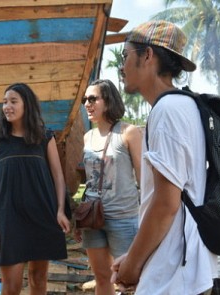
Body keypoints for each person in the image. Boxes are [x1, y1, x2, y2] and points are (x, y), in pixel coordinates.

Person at [110, 20, 217, 294]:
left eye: (126, 56)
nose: (121, 67)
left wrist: (132, 265)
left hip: (173, 275)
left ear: (147, 55)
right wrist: (138, 259)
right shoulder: (186, 105)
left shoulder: (167, 111)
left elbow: (166, 204)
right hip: (180, 265)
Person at [0, 82, 71, 294]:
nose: (7, 107)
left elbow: (58, 176)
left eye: (13, 101)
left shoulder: (44, 136)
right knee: (10, 286)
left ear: (27, 105)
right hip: (8, 219)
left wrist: (60, 210)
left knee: (38, 280)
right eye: (4, 102)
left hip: (42, 215)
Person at [74, 78, 142, 294]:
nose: (87, 104)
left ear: (109, 101)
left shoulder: (128, 132)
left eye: (93, 98)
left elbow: (144, 179)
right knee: (102, 278)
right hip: (93, 219)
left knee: (128, 280)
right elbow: (91, 180)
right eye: (85, 99)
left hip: (123, 217)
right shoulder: (87, 137)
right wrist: (79, 219)